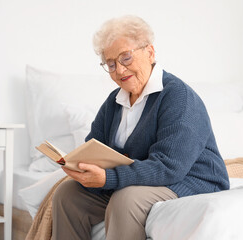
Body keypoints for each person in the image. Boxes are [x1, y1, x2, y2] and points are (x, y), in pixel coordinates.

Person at [52, 15, 230, 240]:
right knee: (68, 194)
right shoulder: (114, 102)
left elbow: (169, 167)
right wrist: (81, 166)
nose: (119, 69)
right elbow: (94, 146)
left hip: (188, 182)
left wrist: (108, 178)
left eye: (125, 57)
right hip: (142, 181)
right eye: (111, 64)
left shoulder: (178, 97)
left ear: (150, 52)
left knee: (126, 199)